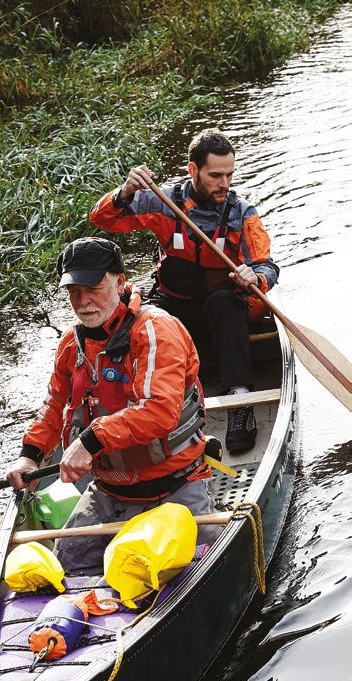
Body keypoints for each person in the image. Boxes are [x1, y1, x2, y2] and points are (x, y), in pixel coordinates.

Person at [7, 237, 220, 579]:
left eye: (93, 288)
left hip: (176, 486)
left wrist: (90, 441)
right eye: (74, 291)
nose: (83, 301)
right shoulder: (71, 344)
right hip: (110, 490)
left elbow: (160, 411)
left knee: (183, 573)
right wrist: (29, 455)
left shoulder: (155, 330)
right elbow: (53, 404)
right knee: (67, 571)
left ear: (120, 281)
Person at [90, 128, 280, 454]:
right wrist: (124, 191)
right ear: (193, 170)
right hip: (174, 304)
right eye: (215, 175)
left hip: (220, 311)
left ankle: (239, 402)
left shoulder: (240, 213)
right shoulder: (162, 201)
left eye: (229, 175)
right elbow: (102, 218)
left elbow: (267, 266)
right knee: (141, 318)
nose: (225, 183)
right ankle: (139, 404)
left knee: (225, 303)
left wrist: (255, 277)